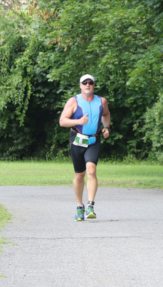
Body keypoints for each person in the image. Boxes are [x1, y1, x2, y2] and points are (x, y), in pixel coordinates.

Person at [59, 74, 110, 221]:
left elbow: (106, 114)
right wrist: (79, 120)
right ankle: (79, 206)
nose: (88, 85)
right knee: (79, 175)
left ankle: (90, 206)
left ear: (94, 85)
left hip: (94, 140)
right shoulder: (74, 101)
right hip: (77, 139)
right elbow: (62, 121)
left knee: (92, 170)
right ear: (80, 85)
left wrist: (106, 127)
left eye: (90, 82)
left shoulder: (102, 101)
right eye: (84, 82)